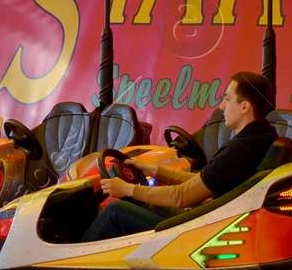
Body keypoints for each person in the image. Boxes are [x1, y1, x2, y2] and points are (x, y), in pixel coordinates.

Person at [80, 71, 278, 243]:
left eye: (227, 98)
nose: (221, 106)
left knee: (115, 211)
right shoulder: (261, 137)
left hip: (200, 230)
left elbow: (182, 196)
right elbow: (206, 182)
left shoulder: (240, 149)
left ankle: (70, 266)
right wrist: (156, 171)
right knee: (147, 203)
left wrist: (128, 189)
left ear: (244, 107)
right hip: (210, 218)